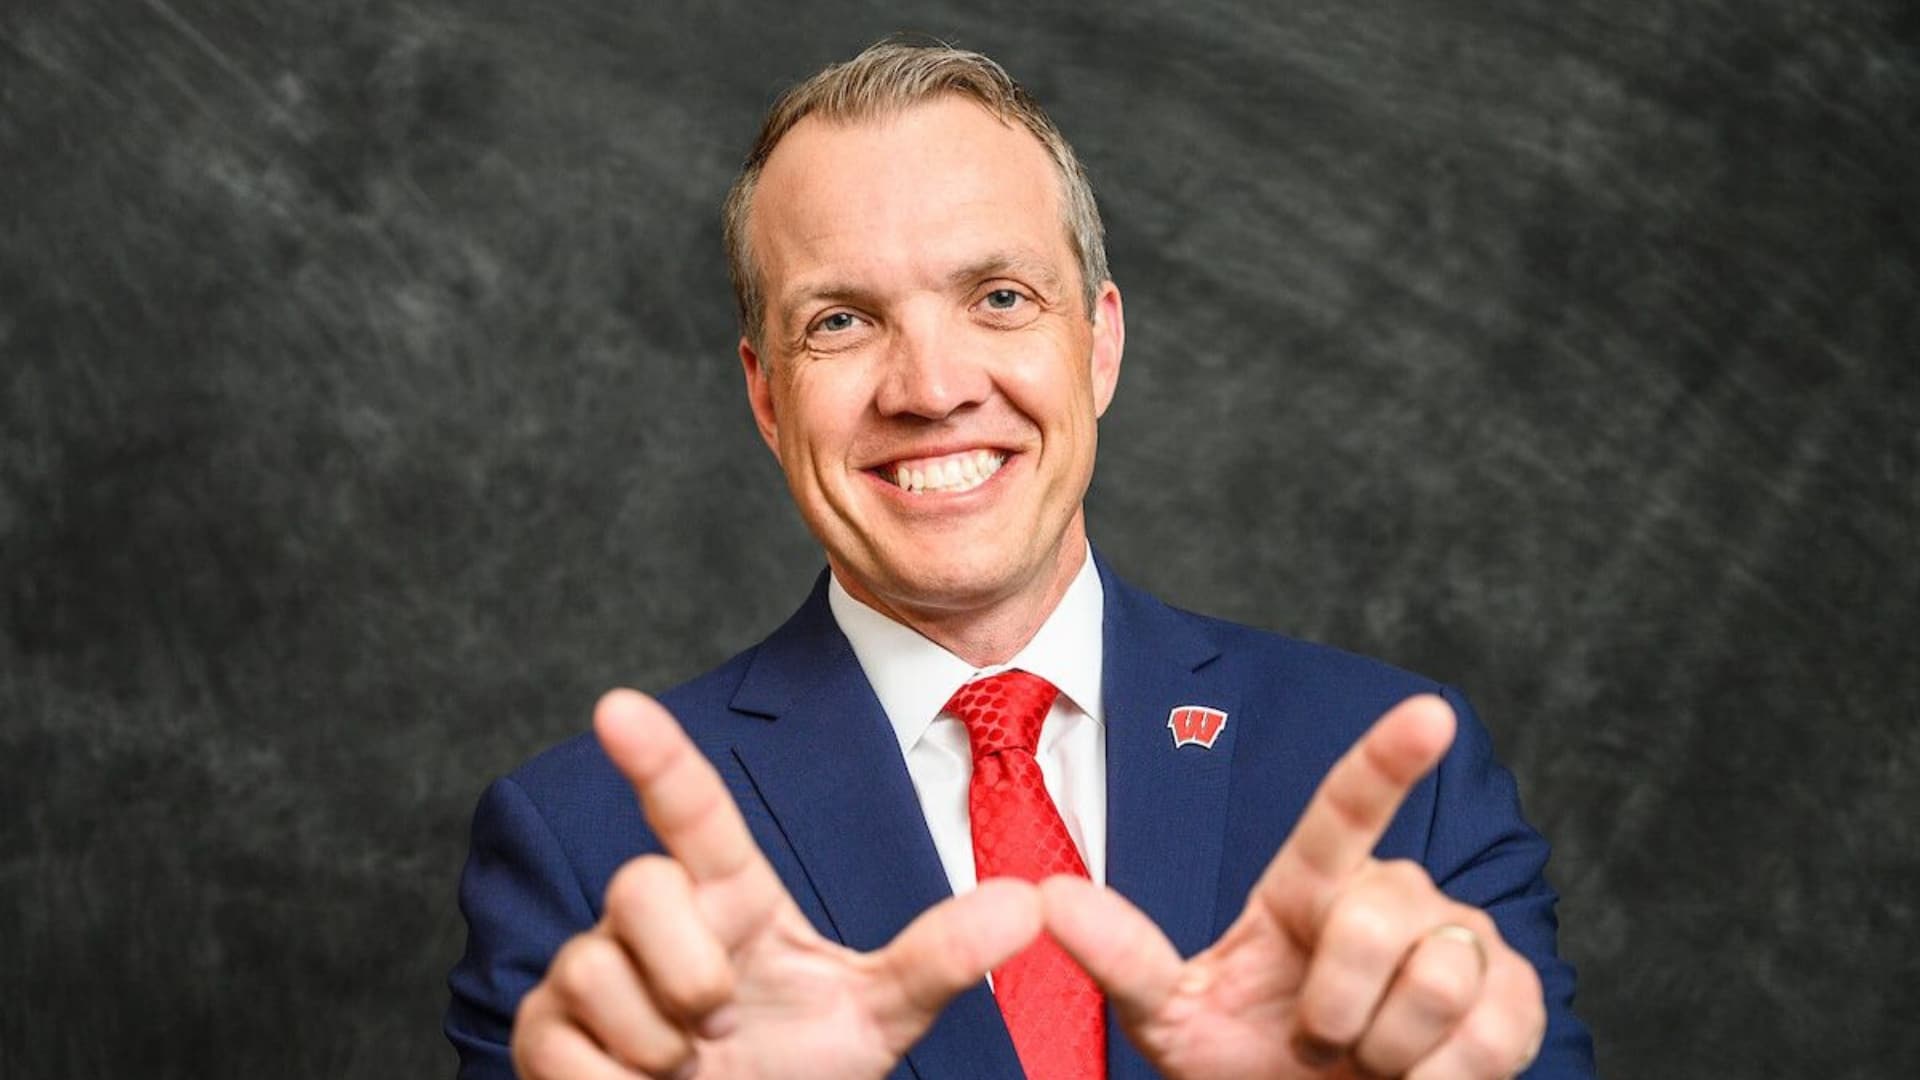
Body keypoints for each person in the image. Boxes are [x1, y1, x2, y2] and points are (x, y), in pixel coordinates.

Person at [445, 40, 1595, 1080]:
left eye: (999, 297)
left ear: (1099, 345)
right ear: (766, 396)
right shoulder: (584, 851)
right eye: (840, 320)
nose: (932, 387)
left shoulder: (1397, 781)